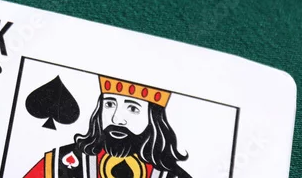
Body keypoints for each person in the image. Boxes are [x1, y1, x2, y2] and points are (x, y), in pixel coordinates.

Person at [23, 76, 192, 178]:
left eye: (133, 109)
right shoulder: (58, 164)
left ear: (153, 119)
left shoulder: (173, 176)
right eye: (110, 104)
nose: (117, 119)